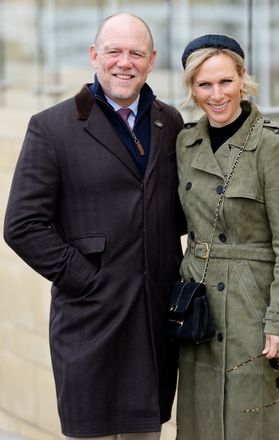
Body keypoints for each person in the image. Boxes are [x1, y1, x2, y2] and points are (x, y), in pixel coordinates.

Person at [3, 13, 184, 440]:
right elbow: (22, 225)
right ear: (93, 56)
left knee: (147, 433)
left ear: (152, 60)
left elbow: (175, 211)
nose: (125, 62)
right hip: (90, 322)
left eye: (136, 53)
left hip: (154, 323)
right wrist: (86, 279)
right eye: (114, 51)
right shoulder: (52, 127)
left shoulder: (170, 122)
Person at [175, 34, 279, 440]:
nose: (217, 95)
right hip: (198, 306)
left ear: (243, 78)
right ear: (192, 89)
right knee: (200, 422)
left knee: (254, 420)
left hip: (254, 307)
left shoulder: (274, 145)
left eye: (225, 82)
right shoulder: (185, 141)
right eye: (204, 85)